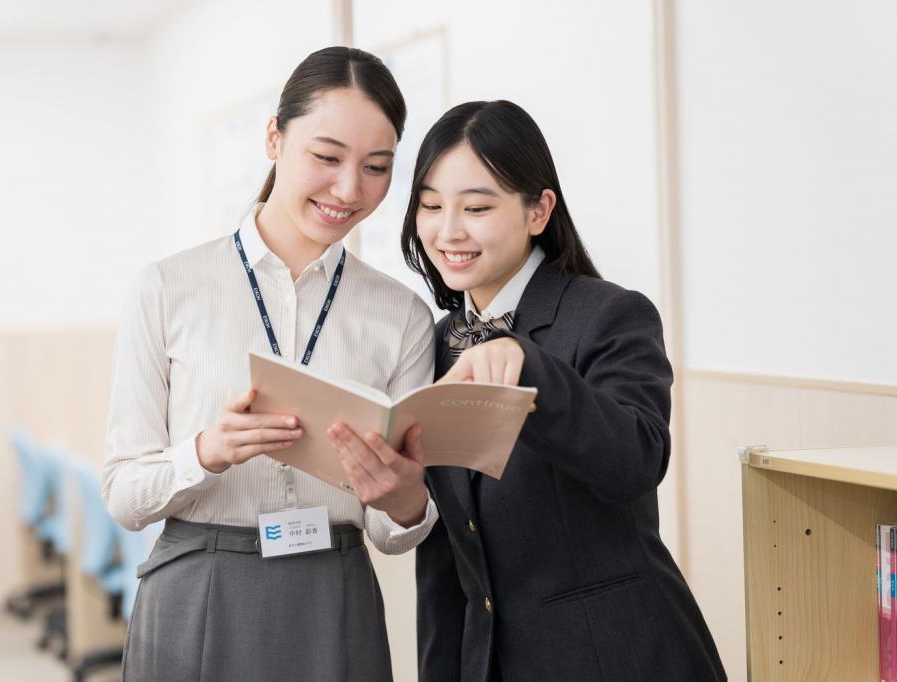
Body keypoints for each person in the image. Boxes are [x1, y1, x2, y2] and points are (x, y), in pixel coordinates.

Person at [102, 46, 438, 682]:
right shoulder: (169, 288)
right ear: (274, 139)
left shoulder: (403, 317)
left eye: (375, 167)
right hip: (199, 589)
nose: (348, 189)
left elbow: (395, 532)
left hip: (333, 594)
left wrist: (405, 501)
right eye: (327, 156)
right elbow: (123, 495)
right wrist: (205, 451)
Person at [401, 100, 727, 681]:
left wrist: (531, 367)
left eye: (476, 207)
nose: (448, 230)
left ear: (538, 210)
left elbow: (636, 461)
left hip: (617, 655)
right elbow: (448, 559)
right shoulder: (435, 342)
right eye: (430, 206)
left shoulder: (609, 314)